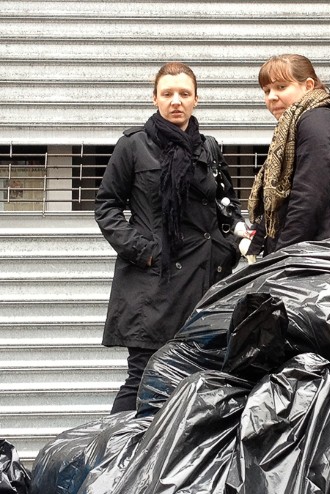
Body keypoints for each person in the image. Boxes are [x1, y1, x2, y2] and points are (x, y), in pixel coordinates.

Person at [95, 62, 244, 414]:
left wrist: (235, 240)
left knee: (196, 381)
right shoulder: (133, 146)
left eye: (184, 94)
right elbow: (106, 206)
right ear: (155, 98)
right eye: (167, 94)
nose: (176, 101)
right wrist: (146, 251)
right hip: (154, 284)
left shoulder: (209, 147)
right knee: (143, 380)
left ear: (196, 99)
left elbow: (226, 203)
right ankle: (113, 460)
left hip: (203, 282)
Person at [243, 54, 330, 256]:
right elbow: (281, 201)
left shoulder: (319, 121)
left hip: (320, 248)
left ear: (308, 86)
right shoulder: (296, 124)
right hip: (310, 244)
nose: (271, 96)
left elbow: (308, 198)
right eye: (267, 90)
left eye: (281, 87)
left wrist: (281, 258)